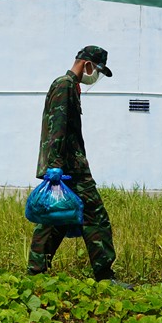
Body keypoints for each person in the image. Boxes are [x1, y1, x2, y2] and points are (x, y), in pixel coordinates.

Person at [28, 45, 130, 288]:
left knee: (56, 219)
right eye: (97, 70)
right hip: (70, 169)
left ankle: (36, 273)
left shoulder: (68, 86)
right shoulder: (64, 85)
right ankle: (105, 275)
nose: (95, 77)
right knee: (97, 218)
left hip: (66, 166)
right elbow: (58, 126)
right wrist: (55, 168)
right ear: (87, 65)